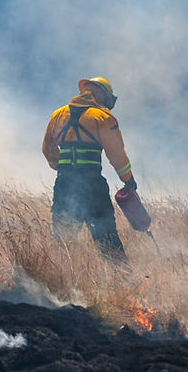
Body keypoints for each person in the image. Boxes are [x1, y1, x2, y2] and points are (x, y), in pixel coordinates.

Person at [42, 76, 136, 261]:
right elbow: (117, 155)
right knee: (107, 239)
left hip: (64, 184)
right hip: (93, 187)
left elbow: (48, 149)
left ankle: (60, 279)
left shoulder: (58, 114)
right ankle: (122, 280)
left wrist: (62, 169)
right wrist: (128, 180)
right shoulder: (102, 117)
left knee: (63, 241)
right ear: (101, 93)